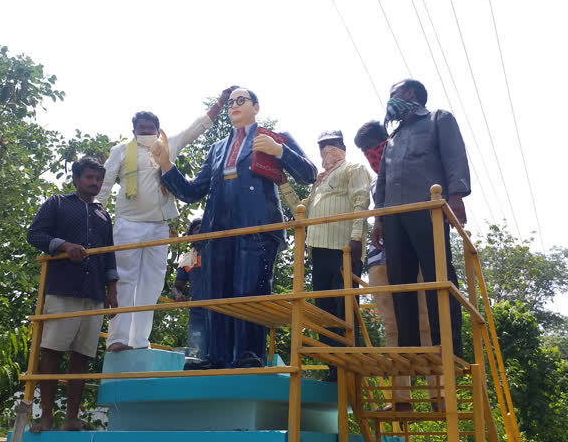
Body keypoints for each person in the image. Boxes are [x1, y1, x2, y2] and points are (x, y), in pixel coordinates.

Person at [154, 87, 317, 369]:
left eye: (241, 101)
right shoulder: (217, 149)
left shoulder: (275, 139)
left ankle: (249, 354)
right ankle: (215, 356)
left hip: (259, 228)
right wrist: (166, 164)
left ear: (256, 106)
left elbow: (309, 174)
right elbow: (193, 191)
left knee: (249, 291)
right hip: (218, 232)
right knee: (217, 293)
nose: (234, 106)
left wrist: (280, 151)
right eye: (230, 103)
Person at [97, 86, 237, 352]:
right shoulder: (120, 150)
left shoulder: (169, 144)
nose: (146, 131)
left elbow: (197, 129)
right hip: (128, 223)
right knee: (125, 280)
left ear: (158, 129)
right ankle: (117, 339)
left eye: (151, 127)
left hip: (159, 226)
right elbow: (103, 186)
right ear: (133, 129)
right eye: (141, 127)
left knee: (152, 282)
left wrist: (219, 104)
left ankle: (139, 342)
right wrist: (95, 216)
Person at [372, 78, 470, 360]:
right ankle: (409, 350)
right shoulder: (392, 138)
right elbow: (383, 180)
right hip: (393, 217)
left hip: (429, 209)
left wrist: (456, 196)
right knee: (399, 281)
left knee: (438, 276)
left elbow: (455, 157)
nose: (389, 100)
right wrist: (379, 219)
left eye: (394, 94)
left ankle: (448, 347)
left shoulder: (439, 119)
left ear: (411, 94)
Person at [26, 156, 118, 432]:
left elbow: (110, 256)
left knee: (83, 356)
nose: (94, 183)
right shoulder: (57, 203)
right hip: (62, 288)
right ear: (76, 178)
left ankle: (72, 418)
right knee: (52, 351)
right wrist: (64, 245)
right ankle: (46, 416)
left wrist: (112, 289)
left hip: (93, 293)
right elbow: (34, 235)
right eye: (89, 177)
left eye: (98, 179)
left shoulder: (104, 215)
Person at [279, 130, 371, 382]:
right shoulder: (319, 181)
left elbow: (361, 199)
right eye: (322, 147)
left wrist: (356, 238)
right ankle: (334, 368)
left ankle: (350, 367)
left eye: (332, 145)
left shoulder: (353, 168)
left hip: (343, 248)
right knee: (325, 313)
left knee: (345, 311)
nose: (327, 150)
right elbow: (301, 210)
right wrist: (282, 183)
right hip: (317, 250)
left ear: (342, 146)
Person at [355, 120, 431, 407]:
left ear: (386, 142)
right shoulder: (372, 182)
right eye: (365, 151)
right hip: (379, 260)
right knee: (391, 327)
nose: (371, 155)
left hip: (413, 254)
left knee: (424, 321)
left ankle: (438, 393)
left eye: (374, 147)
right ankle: (401, 398)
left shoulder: (408, 170)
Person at [172, 218, 209, 361]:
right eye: (196, 229)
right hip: (197, 313)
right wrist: (178, 295)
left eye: (203, 228)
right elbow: (176, 286)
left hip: (220, 310)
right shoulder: (187, 259)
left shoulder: (219, 253)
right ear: (190, 237)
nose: (199, 231)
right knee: (197, 354)